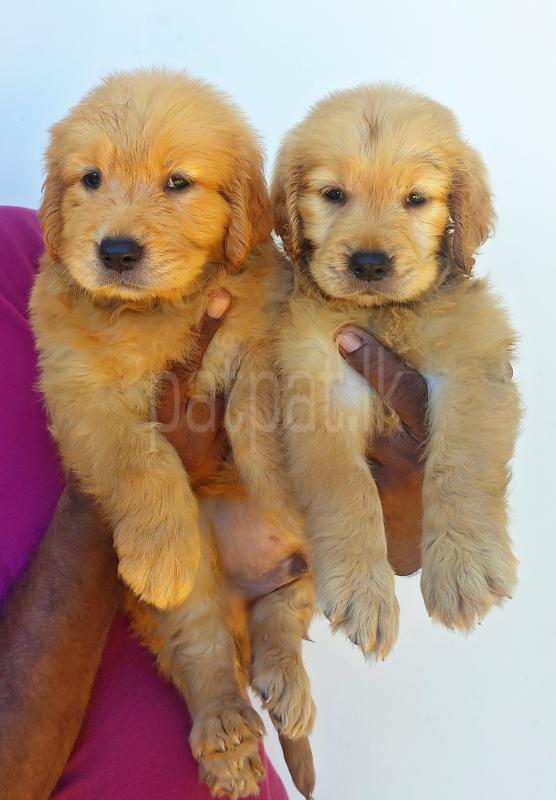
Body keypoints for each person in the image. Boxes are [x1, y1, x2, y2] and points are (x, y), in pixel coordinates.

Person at [0, 206, 427, 800]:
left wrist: (405, 507)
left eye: (177, 185)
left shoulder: (45, 245)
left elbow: (387, 531)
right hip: (189, 619)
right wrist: (132, 483)